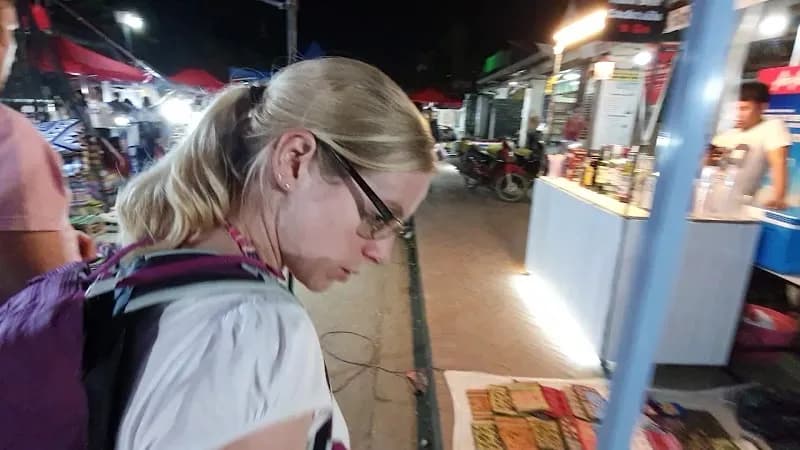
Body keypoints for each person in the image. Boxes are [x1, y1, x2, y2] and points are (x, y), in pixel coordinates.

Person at [113, 57, 435, 450]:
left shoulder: (148, 264)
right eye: (377, 216)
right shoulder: (256, 331)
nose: (381, 252)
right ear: (294, 160)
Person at [0, 0, 94, 302]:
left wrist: (58, 240)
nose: (8, 45)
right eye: (8, 30)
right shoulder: (10, 139)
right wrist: (72, 262)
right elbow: (47, 302)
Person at [712, 81, 790, 209]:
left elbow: (779, 163)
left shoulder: (772, 127)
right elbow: (707, 162)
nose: (738, 114)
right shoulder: (727, 133)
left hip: (736, 208)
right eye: (735, 109)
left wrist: (779, 197)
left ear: (762, 107)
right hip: (707, 201)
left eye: (744, 108)